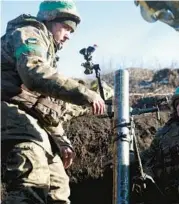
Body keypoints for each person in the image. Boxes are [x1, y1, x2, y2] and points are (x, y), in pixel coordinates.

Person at [1, 0, 105, 203]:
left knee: (58, 189)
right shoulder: (30, 33)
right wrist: (85, 93)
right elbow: (34, 74)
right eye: (66, 27)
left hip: (30, 119)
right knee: (32, 183)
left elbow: (43, 105)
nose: (68, 35)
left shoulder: (48, 52)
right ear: (49, 20)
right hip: (10, 112)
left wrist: (60, 140)